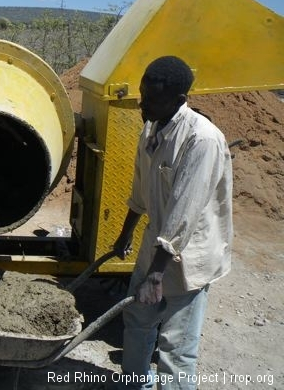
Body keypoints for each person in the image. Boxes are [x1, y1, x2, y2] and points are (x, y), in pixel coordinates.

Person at [112, 56, 233, 389]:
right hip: (157, 245)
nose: (143, 103)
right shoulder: (152, 126)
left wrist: (156, 274)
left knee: (175, 347)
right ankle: (134, 384)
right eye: (143, 93)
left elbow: (185, 211)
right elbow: (141, 188)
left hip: (187, 254)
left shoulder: (201, 140)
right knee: (137, 319)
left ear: (180, 101)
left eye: (152, 98)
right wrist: (125, 234)